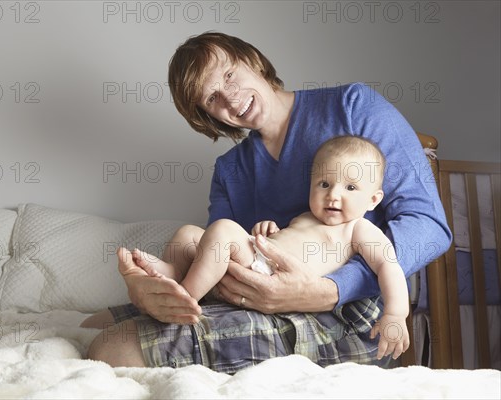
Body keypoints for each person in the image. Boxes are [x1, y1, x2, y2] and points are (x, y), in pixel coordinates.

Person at [81, 32, 451, 373]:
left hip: (347, 313)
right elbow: (218, 257)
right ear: (206, 116)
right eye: (211, 98)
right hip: (254, 296)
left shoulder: (352, 107)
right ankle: (174, 289)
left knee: (114, 349)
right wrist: (148, 295)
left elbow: (429, 226)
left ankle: (180, 299)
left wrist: (329, 291)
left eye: (228, 75)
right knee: (94, 324)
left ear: (253, 60)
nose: (229, 99)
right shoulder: (229, 170)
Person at [131, 135, 410, 360]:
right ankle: (172, 272)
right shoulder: (305, 217)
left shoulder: (358, 229)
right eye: (324, 183)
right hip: (258, 260)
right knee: (189, 233)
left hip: (276, 280)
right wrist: (267, 229)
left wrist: (396, 314)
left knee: (223, 229)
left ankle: (186, 296)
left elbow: (388, 264)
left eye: (350, 187)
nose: (333, 195)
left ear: (373, 199)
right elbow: (287, 240)